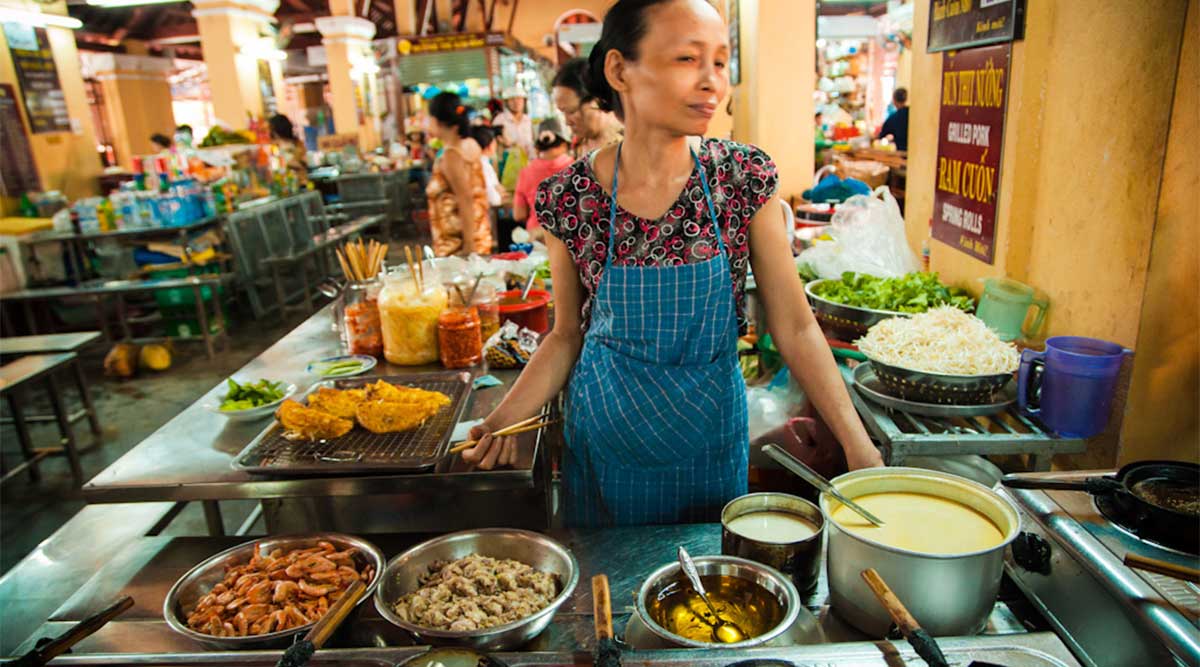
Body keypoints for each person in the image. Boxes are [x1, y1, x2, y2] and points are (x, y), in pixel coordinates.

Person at [463, 0, 883, 527]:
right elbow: (566, 336)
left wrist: (858, 445)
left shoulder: (740, 179)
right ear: (619, 70)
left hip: (709, 441)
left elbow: (796, 327)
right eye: (688, 59)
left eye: (719, 62)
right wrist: (501, 421)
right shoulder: (570, 198)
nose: (711, 82)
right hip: (605, 441)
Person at [426, 92, 493, 257]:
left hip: (458, 248)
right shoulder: (469, 145)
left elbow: (466, 199)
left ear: (436, 120)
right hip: (477, 237)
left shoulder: (451, 156)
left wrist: (469, 247)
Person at [513, 118, 574, 241]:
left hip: (536, 239)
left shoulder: (526, 172)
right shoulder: (575, 167)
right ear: (564, 144)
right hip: (569, 237)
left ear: (538, 146)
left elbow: (518, 215)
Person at [552, 57, 623, 156]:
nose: (567, 122)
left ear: (597, 100)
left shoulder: (627, 144)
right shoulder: (581, 143)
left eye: (571, 111)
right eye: (563, 112)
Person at [492, 86, 534, 157]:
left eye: (519, 99)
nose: (516, 102)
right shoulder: (499, 120)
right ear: (506, 102)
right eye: (512, 99)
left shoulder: (528, 120)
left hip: (528, 161)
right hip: (507, 163)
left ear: (524, 101)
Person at [471, 125, 505, 208]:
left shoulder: (484, 163)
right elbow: (494, 199)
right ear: (490, 146)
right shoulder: (482, 166)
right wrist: (499, 194)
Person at [267, 113, 308, 178]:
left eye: (271, 128)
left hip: (299, 179)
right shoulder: (272, 145)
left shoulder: (297, 144)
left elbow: (304, 162)